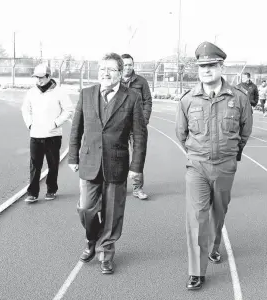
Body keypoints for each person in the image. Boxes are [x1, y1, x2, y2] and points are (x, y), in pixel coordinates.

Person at [175, 42, 253, 290]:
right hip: (197, 165)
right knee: (197, 217)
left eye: (211, 65)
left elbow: (245, 132)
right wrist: (197, 154)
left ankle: (214, 243)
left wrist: (230, 155)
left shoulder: (239, 98)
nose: (206, 70)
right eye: (202, 66)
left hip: (225, 166)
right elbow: (181, 133)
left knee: (218, 213)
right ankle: (197, 271)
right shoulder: (188, 100)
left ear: (221, 66)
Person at [68, 53, 147, 274]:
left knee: (112, 214)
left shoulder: (131, 97)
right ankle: (92, 238)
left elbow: (140, 134)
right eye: (102, 68)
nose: (105, 72)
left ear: (120, 73)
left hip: (117, 164)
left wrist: (136, 166)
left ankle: (105, 253)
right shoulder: (86, 94)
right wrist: (73, 156)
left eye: (111, 69)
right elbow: (77, 128)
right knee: (85, 208)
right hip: (89, 161)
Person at [21, 64, 73, 203]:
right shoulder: (31, 92)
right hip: (36, 135)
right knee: (35, 165)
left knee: (53, 164)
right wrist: (30, 124)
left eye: (41, 77)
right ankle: (32, 193)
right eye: (36, 77)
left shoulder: (59, 92)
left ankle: (51, 190)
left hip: (53, 136)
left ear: (49, 76)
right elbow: (25, 110)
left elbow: (68, 110)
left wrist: (56, 123)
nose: (38, 80)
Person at [120, 53, 152, 200]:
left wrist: (143, 120)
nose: (128, 67)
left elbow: (148, 101)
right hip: (119, 126)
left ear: (133, 65)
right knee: (118, 157)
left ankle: (137, 188)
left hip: (137, 127)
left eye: (130, 64)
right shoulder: (115, 81)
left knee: (138, 156)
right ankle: (118, 186)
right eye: (125, 64)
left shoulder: (141, 82)